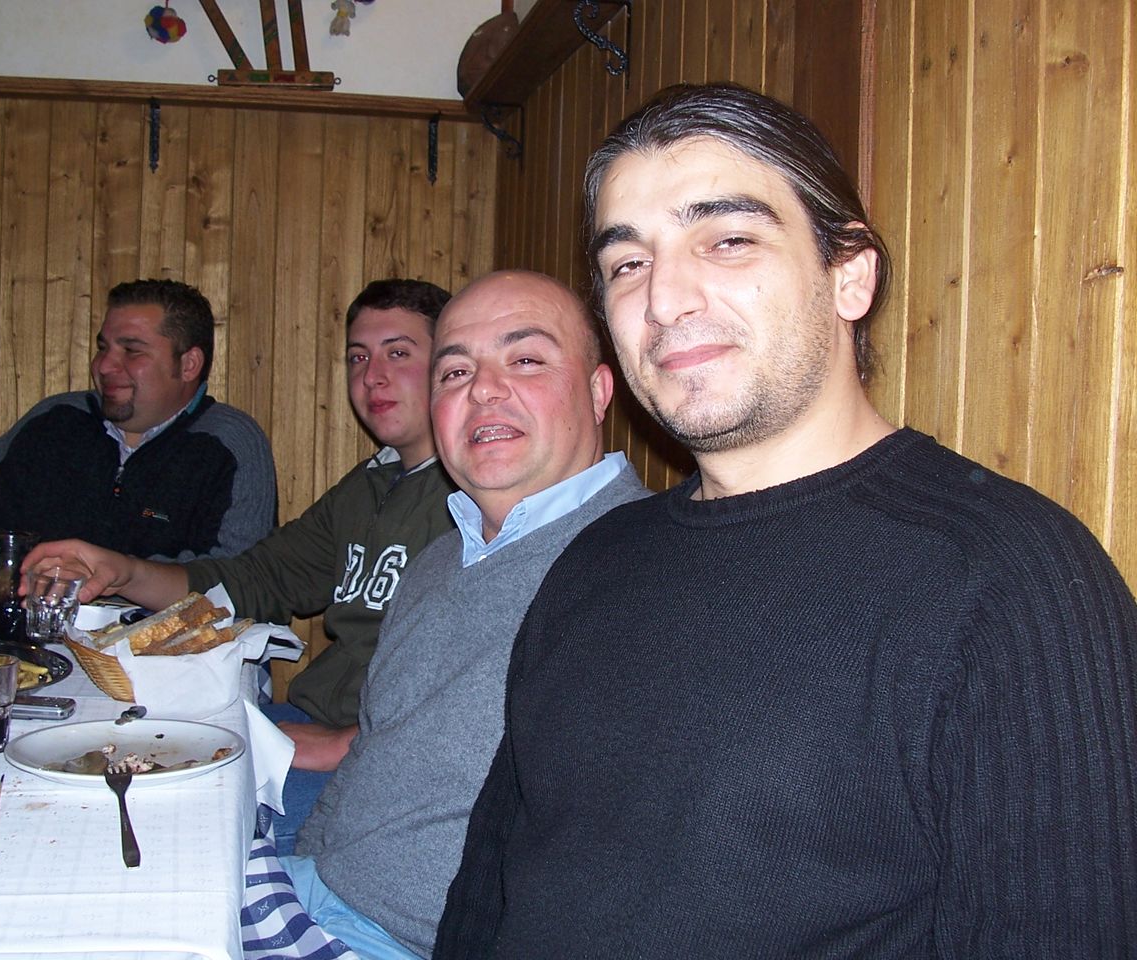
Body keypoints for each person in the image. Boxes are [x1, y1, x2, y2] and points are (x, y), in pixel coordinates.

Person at [434, 84, 1137, 958]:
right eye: (628, 263)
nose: (664, 300)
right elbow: (489, 882)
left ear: (850, 276)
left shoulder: (1011, 583)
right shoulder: (596, 556)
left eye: (727, 240)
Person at [241, 270, 649, 960]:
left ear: (598, 391)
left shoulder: (644, 572)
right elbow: (371, 749)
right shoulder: (439, 558)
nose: (482, 389)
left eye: (525, 359)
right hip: (312, 891)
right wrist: (302, 868)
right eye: (455, 372)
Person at [23, 278, 458, 846]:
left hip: (381, 758)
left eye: (397, 353)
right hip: (308, 723)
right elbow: (255, 579)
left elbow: (482, 676)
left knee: (175, 838)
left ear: (450, 364)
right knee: (99, 783)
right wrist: (122, 571)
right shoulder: (370, 482)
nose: (371, 376)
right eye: (358, 357)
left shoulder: (477, 498)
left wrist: (350, 742)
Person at [0, 278, 277, 573]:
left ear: (188, 365)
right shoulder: (54, 420)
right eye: (103, 347)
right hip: (31, 626)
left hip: (163, 635)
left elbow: (242, 580)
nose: (104, 365)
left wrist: (107, 578)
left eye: (132, 351)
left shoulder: (229, 444)